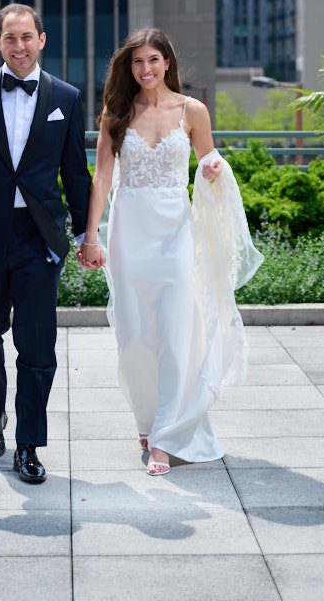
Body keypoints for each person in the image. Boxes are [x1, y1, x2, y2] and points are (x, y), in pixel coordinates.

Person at [78, 28, 263, 475]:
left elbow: (208, 161)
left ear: (167, 62)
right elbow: (102, 178)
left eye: (154, 60)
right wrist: (91, 236)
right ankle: (148, 417)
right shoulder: (116, 112)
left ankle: (166, 435)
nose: (146, 69)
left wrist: (214, 167)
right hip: (129, 230)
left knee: (178, 328)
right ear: (129, 67)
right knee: (136, 333)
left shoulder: (192, 110)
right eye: (138, 62)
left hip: (178, 231)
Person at [0, 3, 91, 484]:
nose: (20, 46)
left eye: (27, 37)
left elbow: (74, 172)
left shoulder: (66, 98)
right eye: (11, 38)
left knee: (37, 346)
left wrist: (88, 235)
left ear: (42, 40)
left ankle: (29, 443)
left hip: (37, 238)